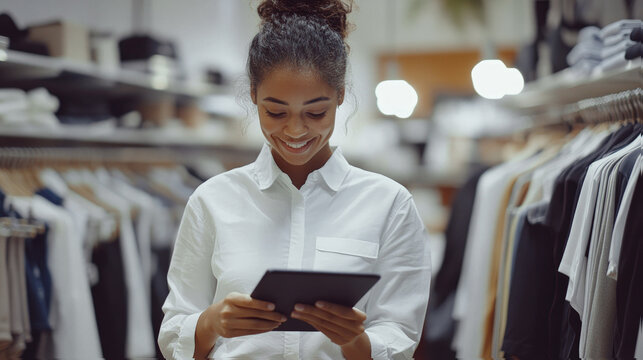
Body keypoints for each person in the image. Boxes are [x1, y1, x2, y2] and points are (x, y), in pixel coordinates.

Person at [158, 0, 431, 358]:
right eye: (275, 111)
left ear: (340, 97)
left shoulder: (389, 205)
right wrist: (211, 322)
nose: (295, 130)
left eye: (316, 112)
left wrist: (355, 341)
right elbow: (173, 329)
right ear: (253, 95)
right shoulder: (212, 200)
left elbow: (401, 333)